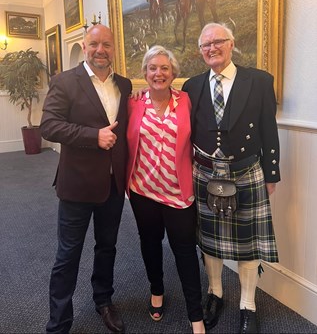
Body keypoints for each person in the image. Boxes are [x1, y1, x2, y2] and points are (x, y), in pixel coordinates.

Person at [182, 23, 280, 334]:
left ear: (231, 44)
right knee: (209, 241)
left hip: (246, 171)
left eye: (218, 41)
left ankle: (248, 304)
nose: (212, 48)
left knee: (248, 244)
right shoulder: (192, 86)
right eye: (205, 45)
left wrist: (272, 172)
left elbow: (268, 129)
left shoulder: (260, 81)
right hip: (205, 173)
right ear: (200, 51)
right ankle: (215, 293)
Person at [40, 24, 132, 334]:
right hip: (77, 186)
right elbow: (49, 126)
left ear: (113, 48)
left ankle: (103, 301)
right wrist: (93, 136)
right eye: (94, 44)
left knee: (107, 248)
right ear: (84, 45)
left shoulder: (126, 85)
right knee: (68, 255)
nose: (100, 50)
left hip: (113, 186)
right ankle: (59, 322)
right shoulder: (65, 82)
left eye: (106, 44)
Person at [126, 45, 205, 334]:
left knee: (184, 250)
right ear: (145, 73)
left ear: (173, 73)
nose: (158, 73)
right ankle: (156, 290)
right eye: (152, 68)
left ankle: (195, 312)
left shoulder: (187, 100)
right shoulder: (133, 103)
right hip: (142, 190)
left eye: (164, 68)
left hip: (178, 194)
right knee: (150, 243)